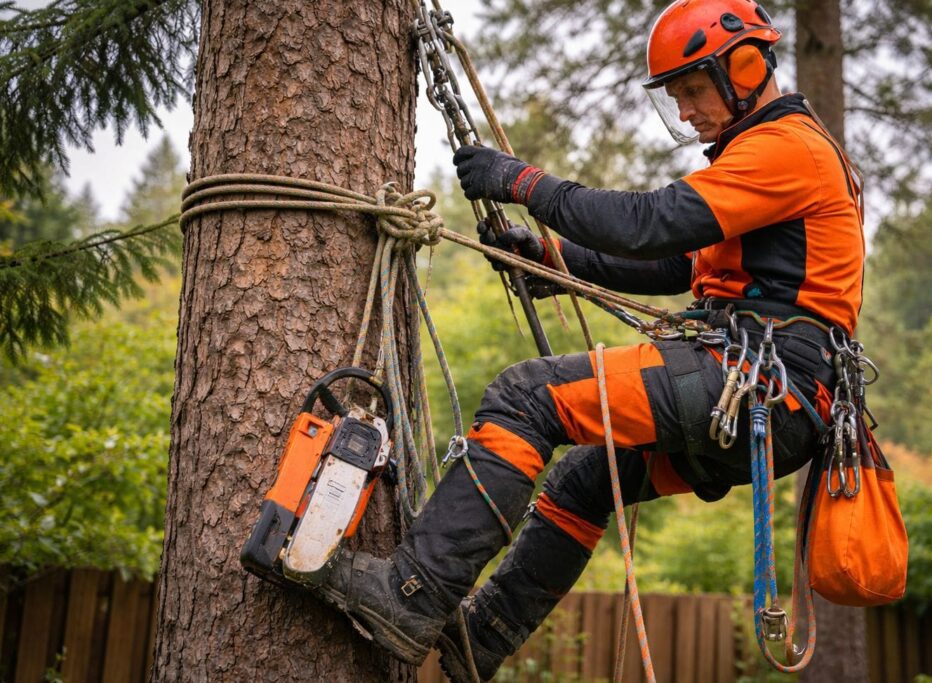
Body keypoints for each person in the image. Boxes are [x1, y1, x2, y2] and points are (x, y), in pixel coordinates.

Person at [313, 0, 865, 680]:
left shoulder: (787, 149)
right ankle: (477, 638)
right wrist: (552, 260)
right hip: (770, 406)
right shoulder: (760, 157)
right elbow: (673, 264)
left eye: (693, 90)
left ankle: (410, 592)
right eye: (678, 97)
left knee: (525, 397)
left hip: (757, 385)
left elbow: (650, 224)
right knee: (584, 478)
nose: (686, 111)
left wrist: (522, 182)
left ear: (745, 68)